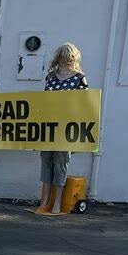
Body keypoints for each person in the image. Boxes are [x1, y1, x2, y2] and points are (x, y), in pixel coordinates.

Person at [35, 42, 89, 216]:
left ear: (73, 59)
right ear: (58, 58)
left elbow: (84, 104)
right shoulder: (51, 76)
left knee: (61, 164)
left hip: (67, 129)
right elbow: (43, 100)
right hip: (49, 126)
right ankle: (45, 201)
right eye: (62, 57)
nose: (65, 61)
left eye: (69, 58)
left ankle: (57, 202)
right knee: (46, 162)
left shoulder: (79, 78)